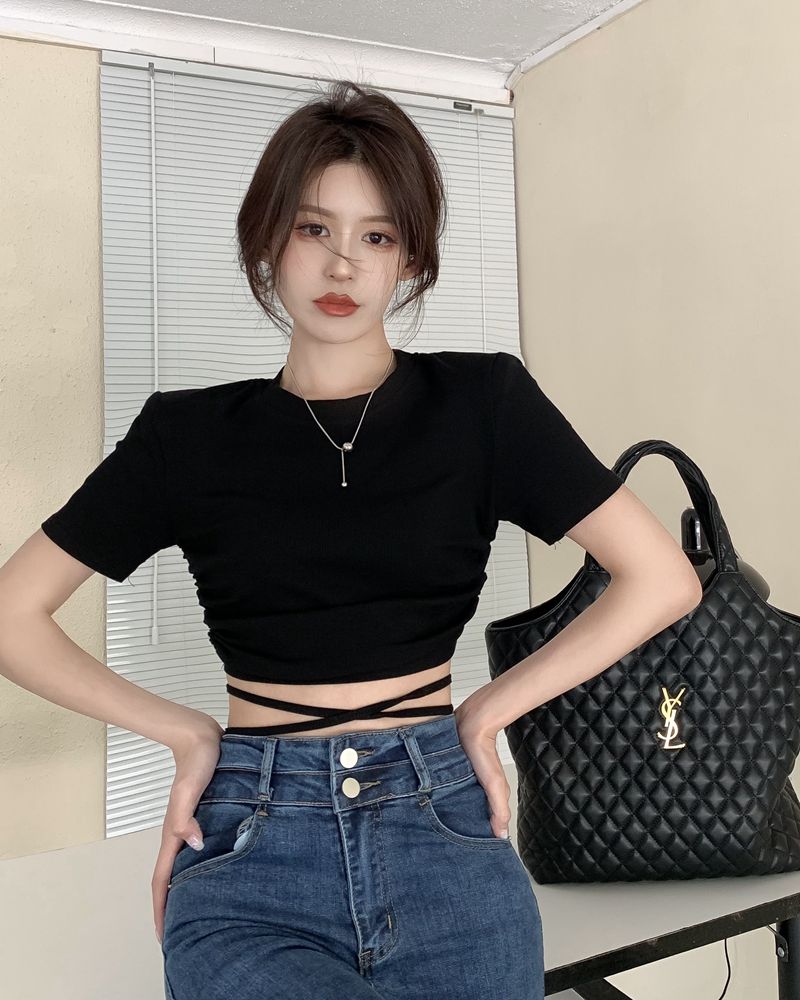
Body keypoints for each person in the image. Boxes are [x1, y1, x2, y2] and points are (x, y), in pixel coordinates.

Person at [0, 78, 702, 1000]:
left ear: (409, 259)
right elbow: (12, 615)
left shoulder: (483, 404)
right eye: (313, 229)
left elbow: (661, 578)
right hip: (252, 842)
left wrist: (487, 711)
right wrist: (185, 733)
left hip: (442, 830)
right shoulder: (188, 434)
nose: (343, 266)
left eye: (377, 237)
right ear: (267, 240)